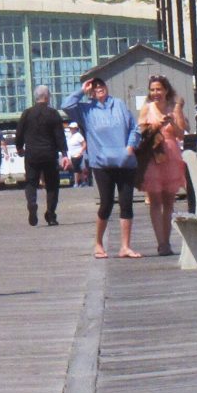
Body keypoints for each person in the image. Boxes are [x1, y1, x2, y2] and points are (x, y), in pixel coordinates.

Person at [67, 77, 140, 259]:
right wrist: (81, 91)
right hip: (102, 163)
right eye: (94, 87)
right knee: (106, 203)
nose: (98, 88)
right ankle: (98, 243)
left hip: (125, 161)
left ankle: (125, 246)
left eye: (101, 85)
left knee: (126, 202)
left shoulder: (119, 104)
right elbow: (66, 105)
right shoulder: (86, 110)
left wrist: (130, 147)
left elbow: (134, 128)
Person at [136, 76, 190, 256]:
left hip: (172, 155)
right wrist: (155, 126)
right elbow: (140, 133)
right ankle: (160, 242)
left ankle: (167, 241)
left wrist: (173, 119)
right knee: (155, 201)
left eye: (158, 89)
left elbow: (182, 134)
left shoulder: (173, 108)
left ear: (166, 90)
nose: (155, 93)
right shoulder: (147, 109)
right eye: (152, 90)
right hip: (153, 156)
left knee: (169, 202)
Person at [15, 86, 68, 227]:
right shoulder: (53, 113)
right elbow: (59, 135)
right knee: (52, 185)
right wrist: (64, 153)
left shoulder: (27, 113)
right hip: (50, 154)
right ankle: (51, 215)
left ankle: (32, 203)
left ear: (35, 97)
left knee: (31, 182)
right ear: (48, 96)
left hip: (32, 154)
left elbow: (19, 133)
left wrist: (19, 147)